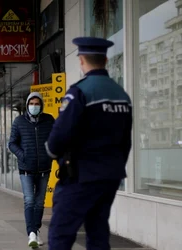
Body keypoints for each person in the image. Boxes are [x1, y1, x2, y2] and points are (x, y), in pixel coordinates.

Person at [45, 37, 133, 250]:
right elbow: (126, 141)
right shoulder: (121, 95)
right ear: (105, 61)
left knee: (60, 232)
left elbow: (60, 134)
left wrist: (52, 152)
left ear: (82, 60)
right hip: (110, 176)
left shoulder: (80, 92)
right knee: (97, 230)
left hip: (81, 176)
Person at [8, 92, 55, 248]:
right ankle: (32, 234)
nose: (34, 106)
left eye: (37, 103)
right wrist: (23, 155)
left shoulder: (49, 120)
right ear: (27, 105)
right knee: (29, 200)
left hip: (44, 168)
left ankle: (36, 229)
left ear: (41, 105)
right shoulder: (19, 121)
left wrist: (51, 154)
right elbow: (12, 143)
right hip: (26, 169)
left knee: (39, 203)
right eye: (31, 103)